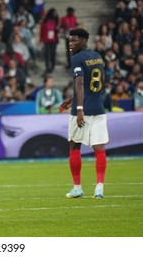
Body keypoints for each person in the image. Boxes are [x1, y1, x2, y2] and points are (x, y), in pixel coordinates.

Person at [59, 28, 109, 199]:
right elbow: (96, 82)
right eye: (69, 41)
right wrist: (72, 99)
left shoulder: (77, 58)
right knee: (99, 148)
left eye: (74, 41)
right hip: (98, 108)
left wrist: (79, 109)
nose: (70, 44)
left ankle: (77, 188)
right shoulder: (97, 56)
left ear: (83, 40)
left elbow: (80, 83)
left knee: (74, 146)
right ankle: (99, 187)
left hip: (81, 111)